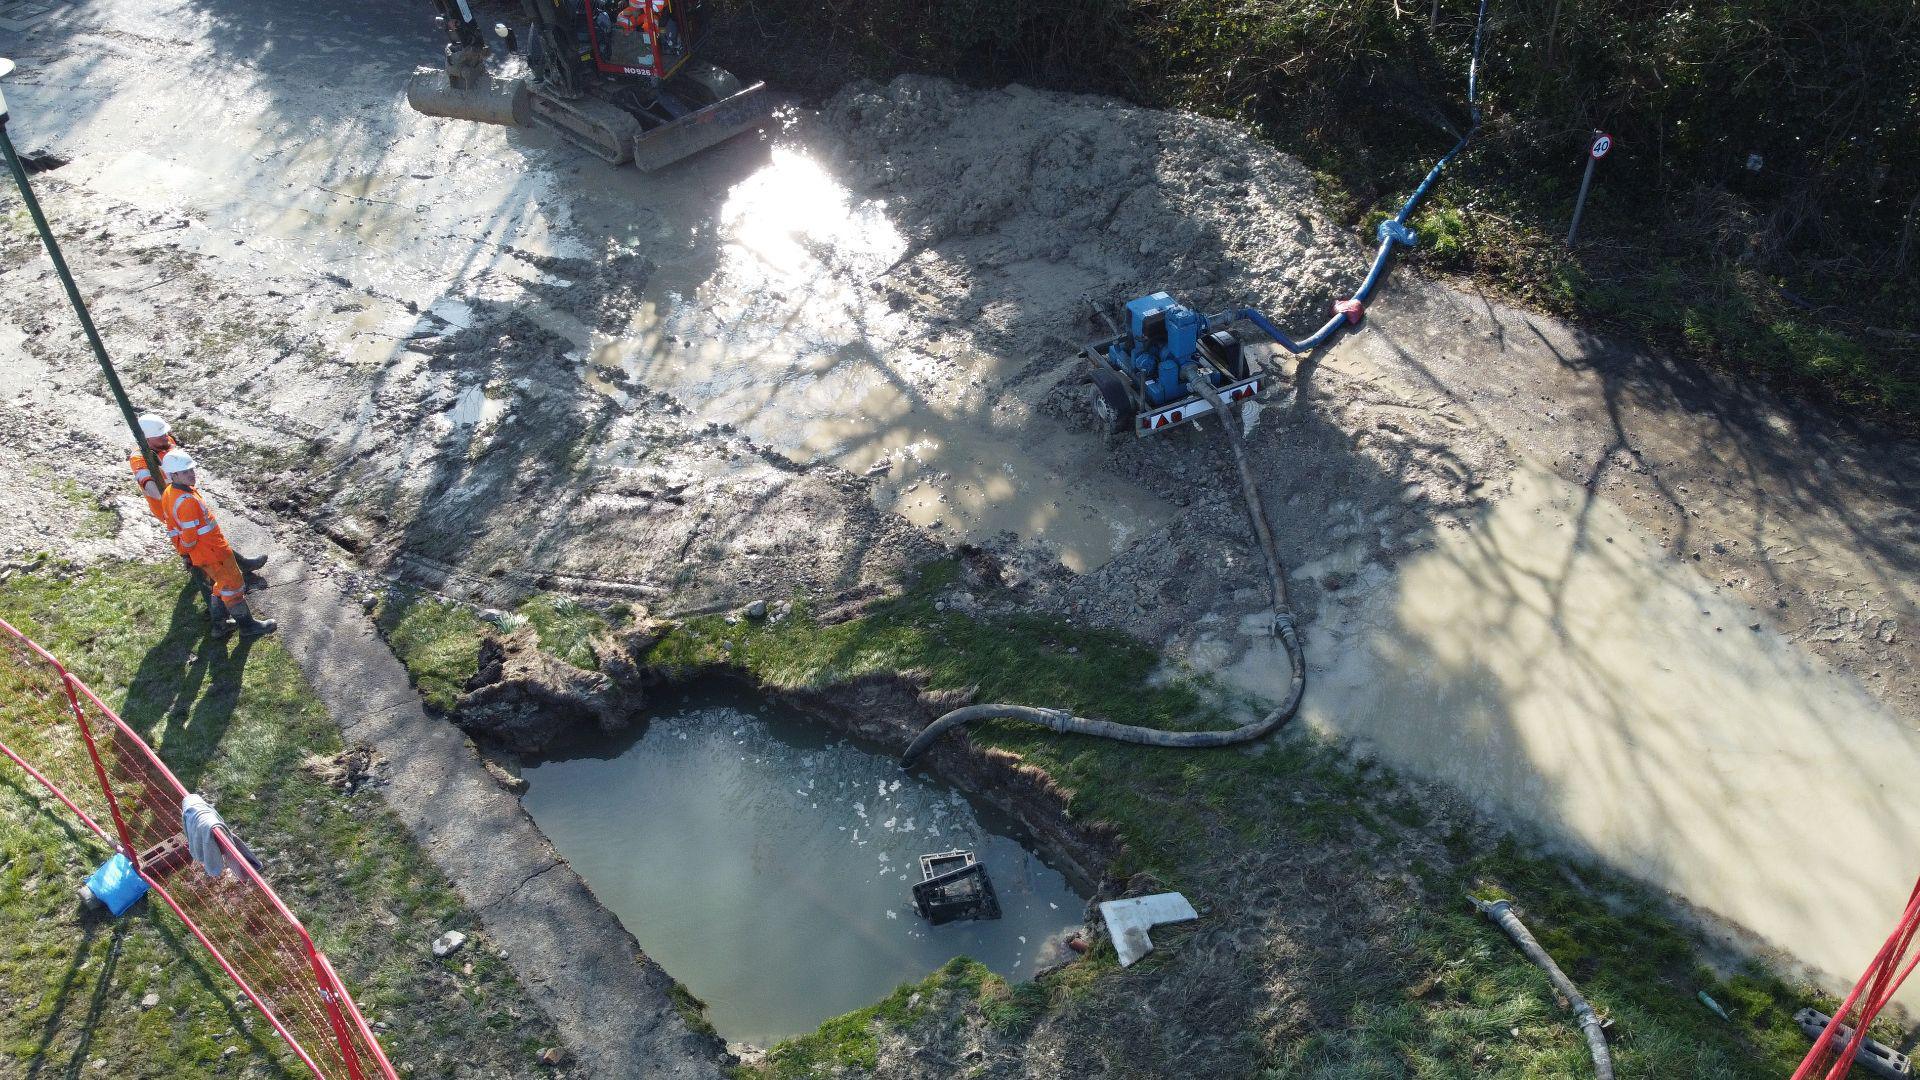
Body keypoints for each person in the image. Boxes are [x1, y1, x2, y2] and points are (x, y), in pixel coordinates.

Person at [160, 448, 276, 639]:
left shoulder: (170, 493)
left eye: (192, 470)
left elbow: (174, 528)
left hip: (206, 553)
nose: (192, 474)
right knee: (234, 587)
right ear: (173, 475)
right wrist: (187, 552)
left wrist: (186, 554)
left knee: (221, 585)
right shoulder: (186, 501)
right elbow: (189, 536)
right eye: (186, 472)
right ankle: (248, 627)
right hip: (214, 552)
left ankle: (220, 626)